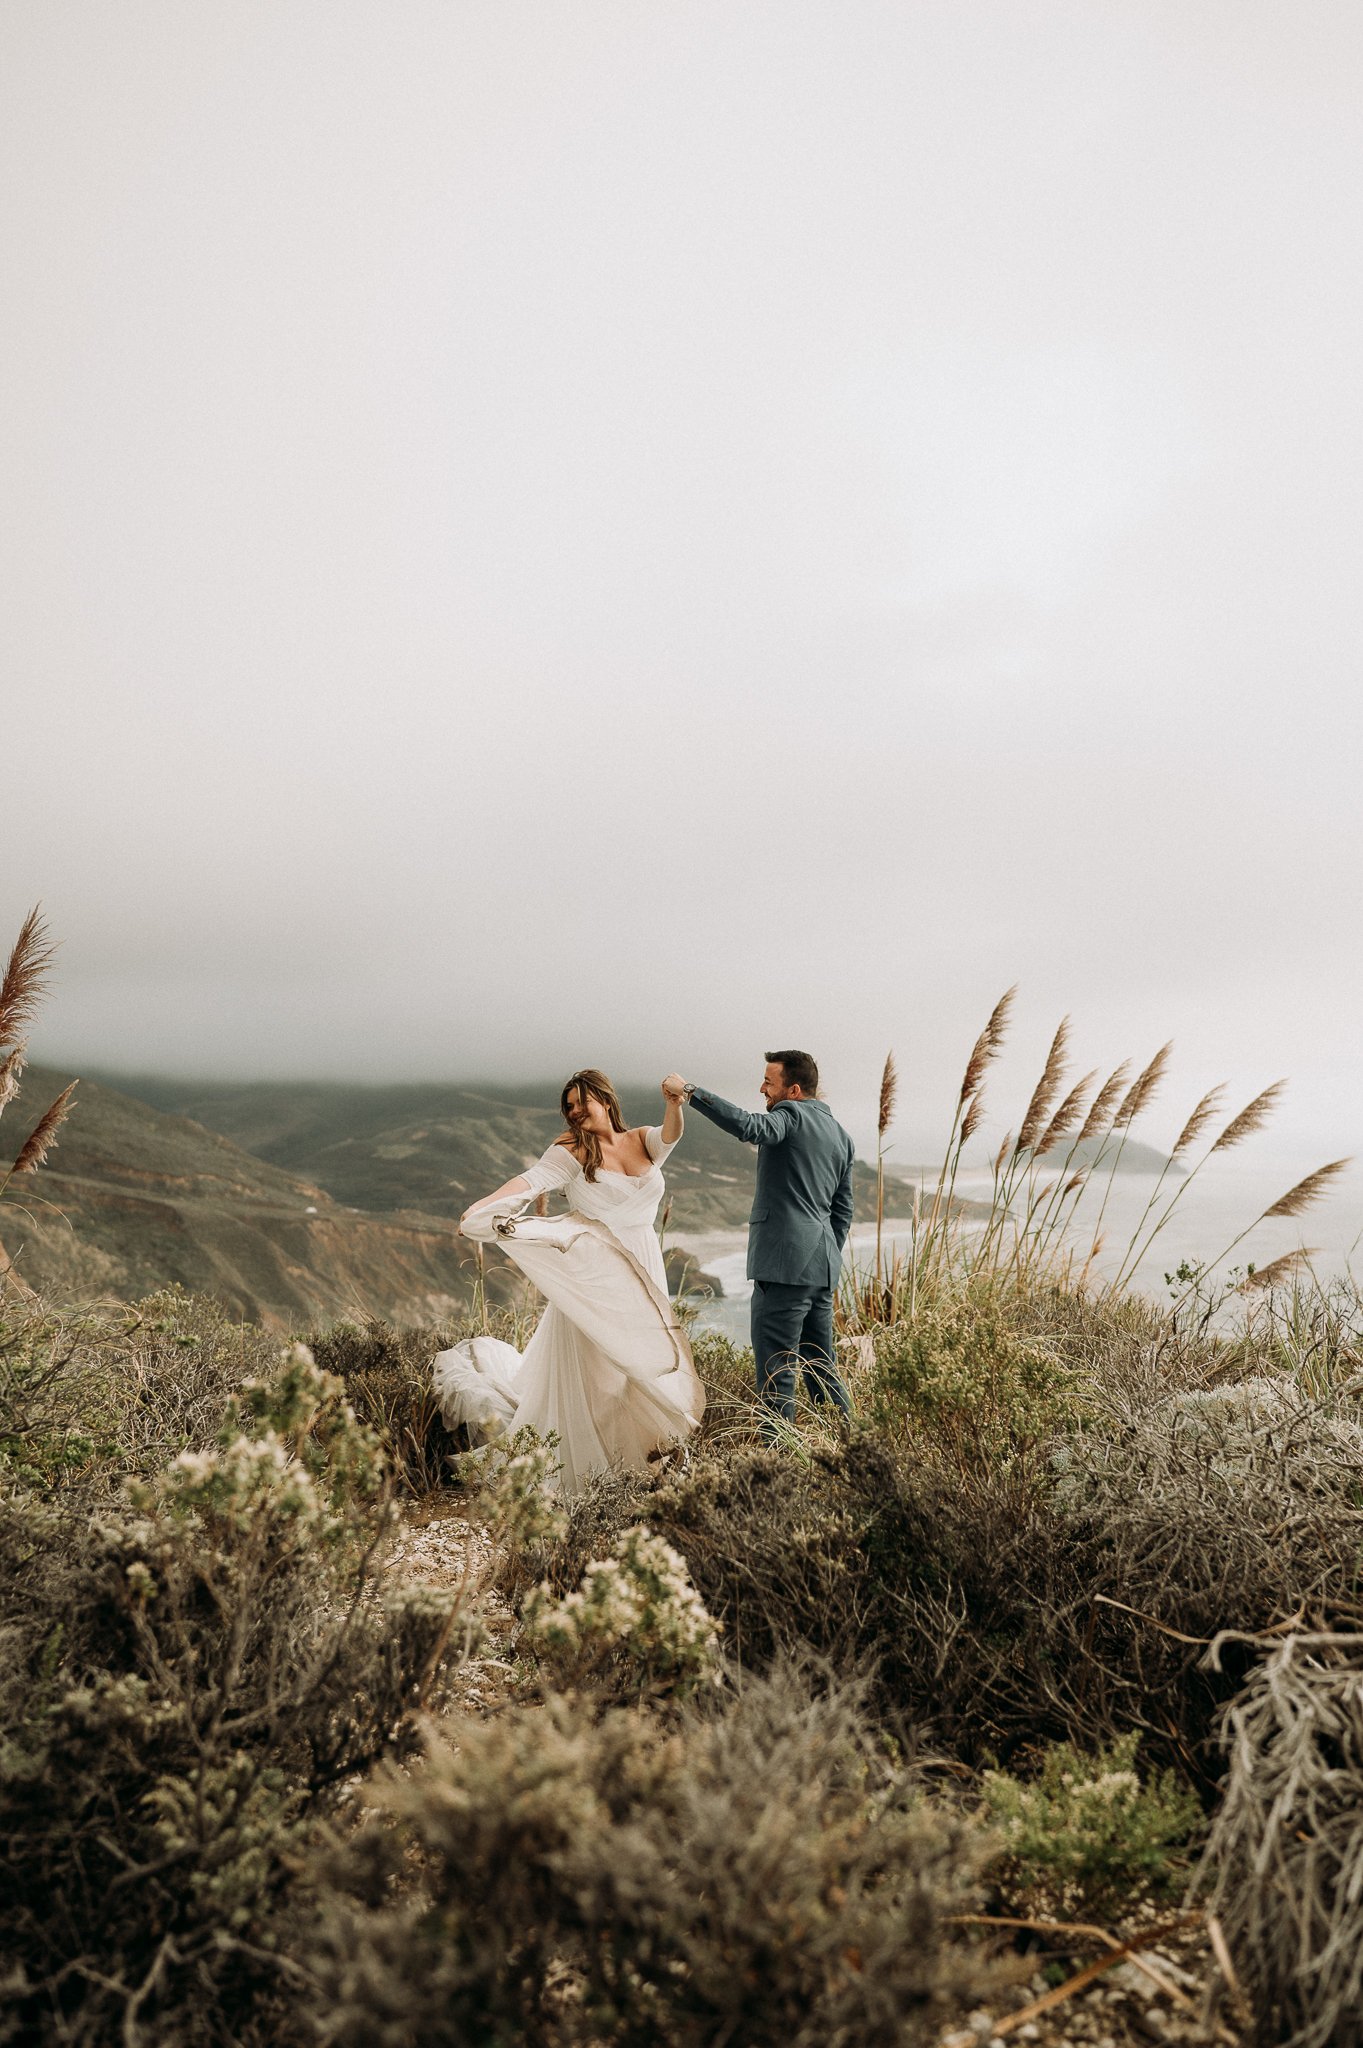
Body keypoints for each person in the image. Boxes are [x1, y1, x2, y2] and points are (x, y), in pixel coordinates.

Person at [431, 1069, 704, 1494]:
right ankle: (592, 1470)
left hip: (643, 1267)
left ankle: (640, 1459)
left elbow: (671, 1136)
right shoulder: (571, 1151)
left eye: (581, 1102)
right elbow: (529, 1182)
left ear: (606, 1100)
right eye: (569, 1107)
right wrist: (484, 1207)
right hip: (595, 1275)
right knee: (598, 1374)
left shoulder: (642, 1140)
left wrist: (674, 1104)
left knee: (640, 1366)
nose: (575, 1112)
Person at [662, 1052, 854, 1433]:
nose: (762, 1088)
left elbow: (750, 1127)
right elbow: (842, 1211)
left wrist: (690, 1091)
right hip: (822, 1267)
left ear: (793, 1090)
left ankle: (777, 1469)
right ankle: (851, 1450)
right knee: (821, 1366)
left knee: (776, 1372)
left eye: (769, 1081)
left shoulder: (791, 1115)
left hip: (782, 1267)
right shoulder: (841, 1136)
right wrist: (821, 1251)